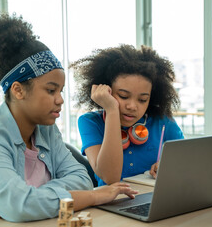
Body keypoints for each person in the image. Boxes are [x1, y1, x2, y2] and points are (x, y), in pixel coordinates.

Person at [0, 14, 138, 224]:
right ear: (18, 90)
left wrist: (31, 199)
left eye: (61, 90)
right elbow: (19, 206)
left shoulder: (47, 131)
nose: (60, 100)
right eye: (50, 90)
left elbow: (83, 179)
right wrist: (92, 196)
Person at [70, 44, 184, 187]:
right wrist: (111, 110)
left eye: (142, 100)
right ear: (108, 91)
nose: (132, 106)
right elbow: (110, 178)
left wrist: (168, 166)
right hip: (112, 204)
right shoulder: (90, 122)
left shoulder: (163, 122)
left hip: (154, 200)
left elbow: (186, 161)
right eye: (123, 96)